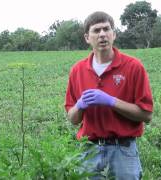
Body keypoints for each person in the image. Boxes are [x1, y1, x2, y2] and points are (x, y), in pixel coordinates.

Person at [64, 11, 153, 179]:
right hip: (89, 151)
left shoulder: (133, 67)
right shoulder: (77, 70)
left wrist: (111, 101)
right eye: (96, 30)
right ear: (87, 37)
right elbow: (73, 119)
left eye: (106, 29)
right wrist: (79, 106)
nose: (102, 34)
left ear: (114, 34)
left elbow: (146, 115)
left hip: (123, 150)